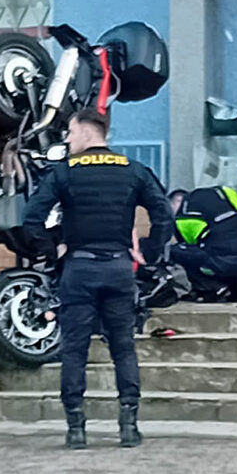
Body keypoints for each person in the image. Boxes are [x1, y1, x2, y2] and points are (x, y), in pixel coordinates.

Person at [22, 107, 174, 450]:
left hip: (78, 269)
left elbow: (31, 219)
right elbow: (164, 214)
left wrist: (52, 251)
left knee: (74, 349)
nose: (68, 139)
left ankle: (76, 429)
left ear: (88, 131)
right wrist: (148, 253)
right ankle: (129, 426)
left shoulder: (64, 173)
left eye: (71, 132)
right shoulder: (133, 170)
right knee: (123, 348)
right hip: (119, 269)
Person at [168, 185, 237, 301]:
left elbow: (190, 248)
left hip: (224, 265)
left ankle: (211, 289)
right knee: (235, 248)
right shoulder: (229, 204)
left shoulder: (184, 219)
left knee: (175, 252)